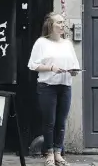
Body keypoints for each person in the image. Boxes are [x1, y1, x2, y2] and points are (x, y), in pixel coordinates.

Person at [27, 12, 81, 166]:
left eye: (63, 22)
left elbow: (75, 65)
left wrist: (74, 71)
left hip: (65, 86)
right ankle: (49, 153)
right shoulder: (41, 43)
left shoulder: (67, 44)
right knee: (49, 122)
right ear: (50, 25)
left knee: (61, 122)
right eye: (59, 22)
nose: (62, 25)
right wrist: (51, 67)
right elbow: (32, 65)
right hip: (47, 86)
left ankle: (58, 153)